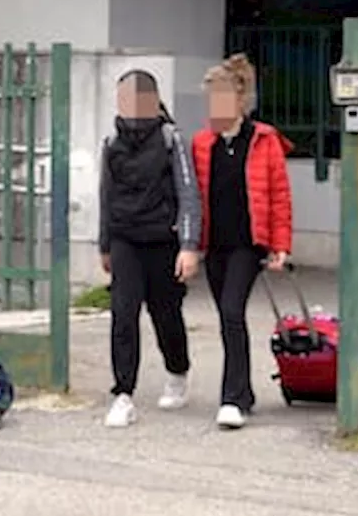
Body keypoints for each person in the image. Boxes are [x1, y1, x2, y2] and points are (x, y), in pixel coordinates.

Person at [191, 54, 292, 430]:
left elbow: (279, 195)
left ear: (239, 99)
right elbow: (193, 194)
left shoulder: (264, 140)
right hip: (214, 244)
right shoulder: (202, 143)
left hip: (248, 244)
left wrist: (281, 246)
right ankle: (244, 391)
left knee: (233, 312)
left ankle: (231, 398)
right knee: (227, 319)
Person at [99, 70, 202, 429]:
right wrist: (105, 244)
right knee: (123, 315)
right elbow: (106, 194)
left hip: (162, 239)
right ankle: (123, 393)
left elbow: (189, 195)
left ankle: (177, 370)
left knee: (165, 314)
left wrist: (188, 246)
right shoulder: (112, 142)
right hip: (125, 238)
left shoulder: (172, 140)